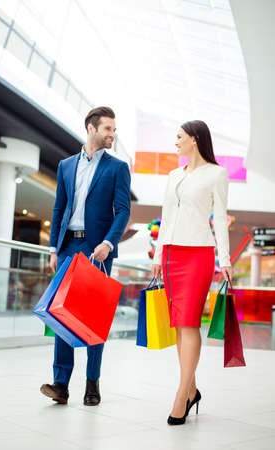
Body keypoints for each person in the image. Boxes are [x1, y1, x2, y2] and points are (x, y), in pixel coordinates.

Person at [40, 106, 131, 406]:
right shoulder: (66, 165)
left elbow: (123, 211)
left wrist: (108, 242)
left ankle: (92, 383)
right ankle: (61, 384)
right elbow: (59, 208)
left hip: (98, 251)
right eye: (108, 129)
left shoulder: (117, 168)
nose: (112, 135)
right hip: (68, 247)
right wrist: (54, 247)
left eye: (114, 130)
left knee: (93, 318)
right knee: (61, 316)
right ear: (91, 128)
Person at [152, 120, 232, 425]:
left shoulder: (217, 174)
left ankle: (180, 396)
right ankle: (192, 389)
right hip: (171, 254)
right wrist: (159, 255)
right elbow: (165, 216)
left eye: (179, 137)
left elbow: (221, 218)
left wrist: (224, 260)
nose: (176, 142)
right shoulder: (173, 175)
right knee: (178, 326)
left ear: (195, 140)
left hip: (198, 253)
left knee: (188, 323)